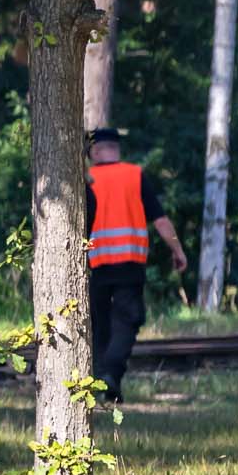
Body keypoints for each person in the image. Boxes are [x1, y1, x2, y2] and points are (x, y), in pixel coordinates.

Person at [87, 128, 190, 401]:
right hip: (129, 263)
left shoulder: (87, 179)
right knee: (128, 320)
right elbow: (162, 221)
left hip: (94, 263)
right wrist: (177, 248)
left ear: (94, 152)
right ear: (116, 149)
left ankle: (101, 381)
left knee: (100, 325)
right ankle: (110, 375)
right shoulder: (134, 175)